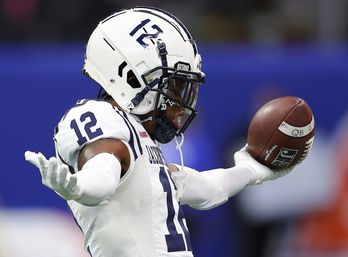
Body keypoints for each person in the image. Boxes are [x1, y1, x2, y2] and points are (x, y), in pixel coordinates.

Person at [24, 7, 291, 257]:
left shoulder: (141, 144)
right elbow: (102, 174)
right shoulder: (104, 122)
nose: (179, 103)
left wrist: (252, 170)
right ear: (129, 76)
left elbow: (207, 188)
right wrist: (81, 188)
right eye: (174, 87)